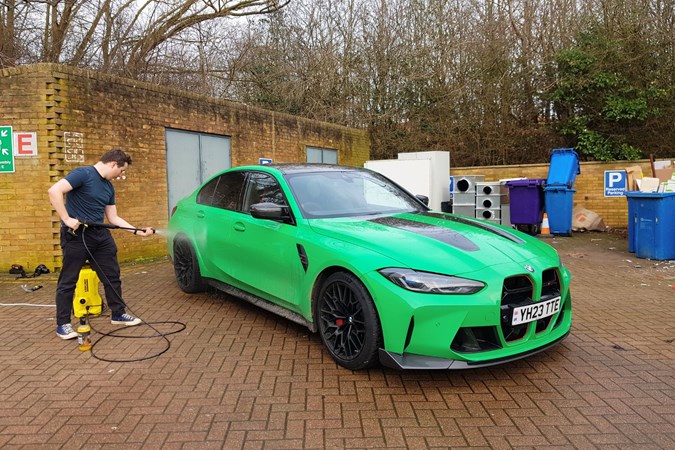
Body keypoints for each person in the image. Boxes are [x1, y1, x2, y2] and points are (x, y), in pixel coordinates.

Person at [48, 148, 154, 339]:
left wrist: (137, 231)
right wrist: (66, 218)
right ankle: (63, 324)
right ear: (114, 164)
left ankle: (118, 314)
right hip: (76, 236)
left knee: (112, 275)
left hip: (100, 236)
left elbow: (113, 217)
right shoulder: (83, 174)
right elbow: (54, 191)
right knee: (68, 281)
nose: (121, 175)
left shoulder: (108, 187)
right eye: (122, 170)